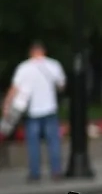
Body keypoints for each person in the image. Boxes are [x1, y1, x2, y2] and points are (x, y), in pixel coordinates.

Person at [3, 41, 66, 181]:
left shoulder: (24, 67)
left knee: (33, 144)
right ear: (44, 51)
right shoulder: (53, 65)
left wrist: (6, 105)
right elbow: (61, 86)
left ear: (31, 52)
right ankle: (56, 172)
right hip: (50, 109)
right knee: (53, 142)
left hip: (32, 111)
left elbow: (15, 89)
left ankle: (35, 173)